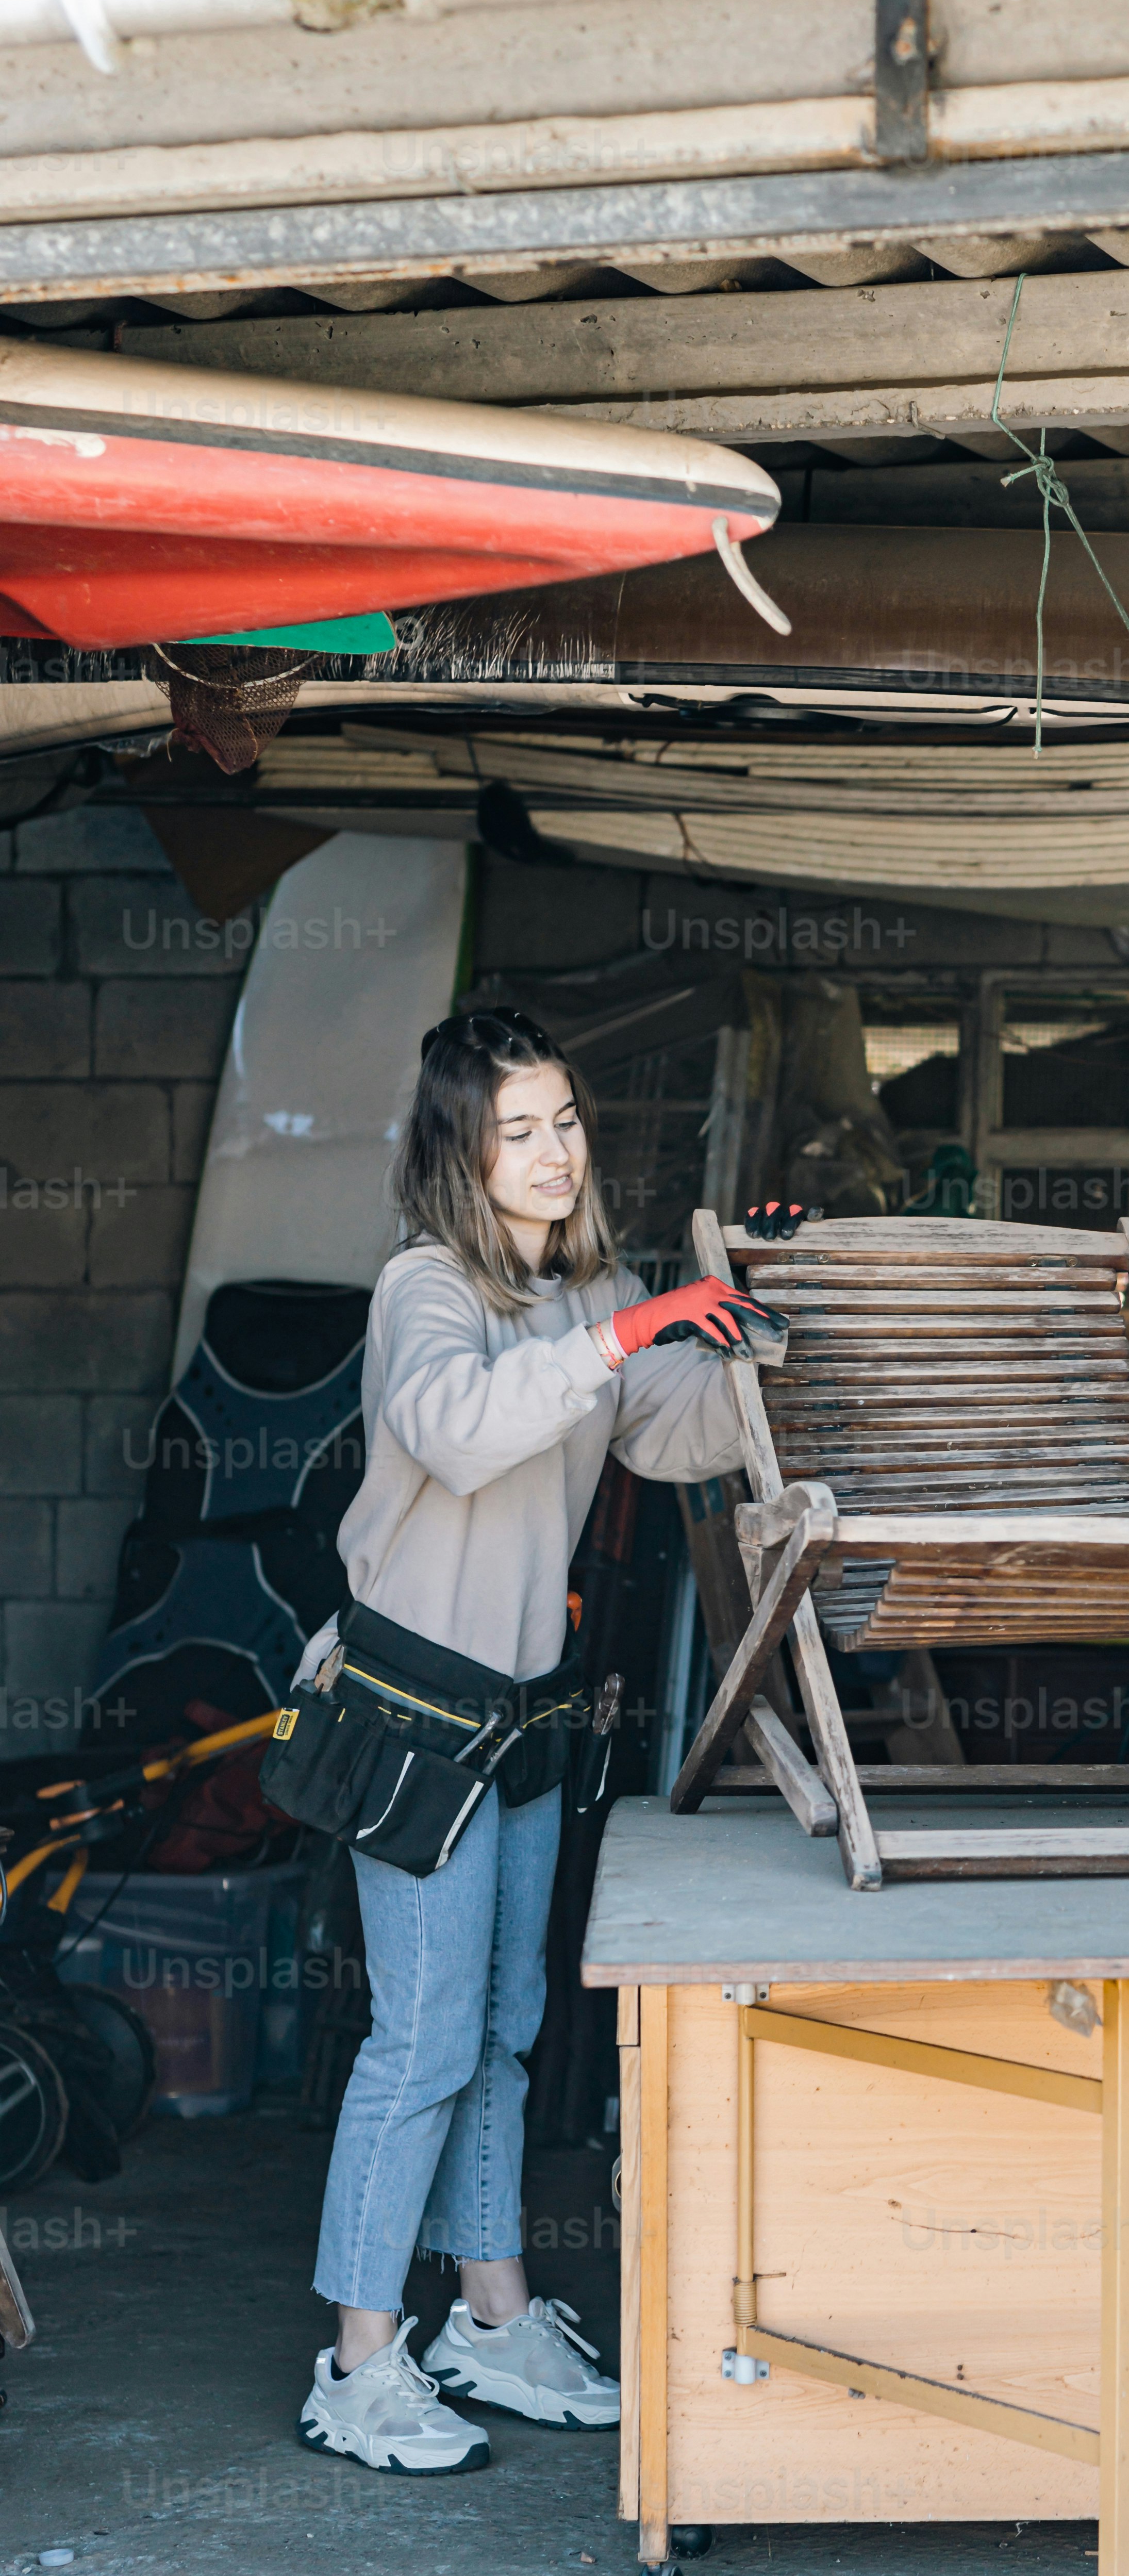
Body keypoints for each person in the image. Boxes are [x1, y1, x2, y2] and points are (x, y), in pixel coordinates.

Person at [294, 1007, 781, 2475]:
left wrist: (746, 1310)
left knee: (503, 2033)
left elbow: (669, 1431)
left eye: (565, 1121)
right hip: (408, 1716)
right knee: (420, 2041)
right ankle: (359, 2360)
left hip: (522, 1715)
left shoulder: (595, 1294)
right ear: (462, 1147)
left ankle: (491, 2321)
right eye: (520, 1130)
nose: (555, 1152)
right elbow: (458, 1429)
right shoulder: (423, 1290)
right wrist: (627, 1329)